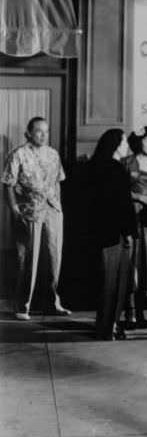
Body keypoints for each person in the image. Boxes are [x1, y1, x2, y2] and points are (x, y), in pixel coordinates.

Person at [2, 116, 71, 320]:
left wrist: (57, 204)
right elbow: (8, 185)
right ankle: (23, 305)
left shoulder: (52, 154)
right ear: (28, 133)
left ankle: (52, 303)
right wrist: (15, 211)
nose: (43, 135)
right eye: (39, 131)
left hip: (53, 210)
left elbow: (59, 180)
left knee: (54, 258)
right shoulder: (18, 154)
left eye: (46, 131)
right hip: (29, 211)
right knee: (28, 259)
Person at [88, 129, 137, 340]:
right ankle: (109, 327)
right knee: (114, 283)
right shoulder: (115, 169)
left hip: (99, 233)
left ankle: (107, 326)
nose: (127, 146)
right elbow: (121, 205)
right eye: (125, 142)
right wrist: (127, 232)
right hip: (114, 235)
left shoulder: (95, 166)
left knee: (106, 282)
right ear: (117, 145)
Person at [122, 126, 147, 328]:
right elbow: (118, 190)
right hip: (133, 217)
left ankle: (141, 305)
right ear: (138, 142)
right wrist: (140, 197)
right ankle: (130, 309)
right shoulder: (127, 163)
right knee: (132, 263)